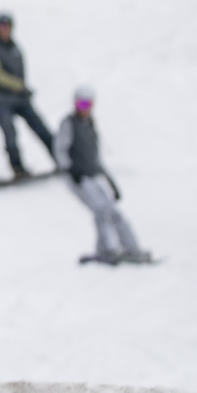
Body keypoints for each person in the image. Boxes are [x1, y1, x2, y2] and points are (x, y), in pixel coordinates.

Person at [55, 86, 148, 264]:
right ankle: (106, 248)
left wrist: (110, 181)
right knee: (101, 210)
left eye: (88, 104)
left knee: (114, 212)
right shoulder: (69, 123)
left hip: (94, 175)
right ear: (75, 103)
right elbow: (60, 149)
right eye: (81, 104)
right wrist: (70, 169)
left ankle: (132, 248)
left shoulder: (90, 124)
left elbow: (96, 157)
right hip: (79, 177)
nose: (85, 108)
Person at [0, 12, 54, 178]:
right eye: (2, 26)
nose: (5, 29)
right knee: (10, 133)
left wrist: (22, 90)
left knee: (40, 127)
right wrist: (20, 86)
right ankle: (18, 168)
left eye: (7, 26)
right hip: (1, 100)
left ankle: (61, 158)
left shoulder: (15, 48)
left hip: (20, 99)